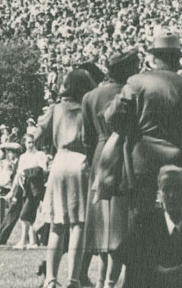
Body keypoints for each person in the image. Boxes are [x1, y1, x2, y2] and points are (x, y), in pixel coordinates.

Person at [105, 31, 182, 215]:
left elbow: (112, 116)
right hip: (179, 159)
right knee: (178, 217)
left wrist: (130, 131)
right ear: (177, 59)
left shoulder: (137, 82)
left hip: (143, 161)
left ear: (154, 58)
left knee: (141, 217)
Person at [82, 49, 139, 288]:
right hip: (123, 153)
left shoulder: (90, 96)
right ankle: (109, 281)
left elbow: (87, 138)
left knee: (101, 222)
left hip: (99, 154)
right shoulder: (130, 93)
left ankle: (101, 279)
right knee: (119, 222)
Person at [36, 69, 95, 288]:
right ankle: (73, 278)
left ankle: (51, 279)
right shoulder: (87, 109)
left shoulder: (55, 108)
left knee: (56, 224)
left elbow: (36, 136)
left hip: (59, 162)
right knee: (78, 224)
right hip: (80, 163)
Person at [116, 165, 182, 288]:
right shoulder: (144, 222)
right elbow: (129, 260)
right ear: (159, 195)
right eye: (166, 189)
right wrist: (169, 272)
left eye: (178, 189)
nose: (172, 195)